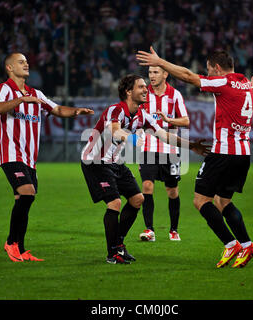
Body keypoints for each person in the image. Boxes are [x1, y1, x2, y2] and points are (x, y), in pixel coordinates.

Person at [137, 47, 253, 268]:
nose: (208, 74)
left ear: (217, 68)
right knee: (224, 201)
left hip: (224, 152)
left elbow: (188, 76)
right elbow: (249, 99)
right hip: (244, 153)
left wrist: (160, 62)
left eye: (209, 70)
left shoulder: (223, 82)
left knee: (201, 200)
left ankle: (231, 244)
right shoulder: (247, 85)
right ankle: (248, 243)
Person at [80, 74, 209, 264]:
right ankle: (112, 253)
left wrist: (191, 146)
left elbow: (164, 135)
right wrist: (131, 138)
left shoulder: (142, 115)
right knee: (115, 202)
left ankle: (119, 245)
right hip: (95, 162)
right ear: (128, 91)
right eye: (140, 87)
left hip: (114, 162)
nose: (145, 89)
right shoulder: (115, 110)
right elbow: (115, 130)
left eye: (145, 87)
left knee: (138, 199)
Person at [0, 53, 94, 262]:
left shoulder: (35, 93)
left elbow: (56, 109)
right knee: (27, 193)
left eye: (27, 61)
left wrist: (76, 111)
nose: (26, 64)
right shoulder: (4, 89)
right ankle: (11, 242)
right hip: (11, 153)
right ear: (9, 68)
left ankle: (20, 248)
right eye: (21, 62)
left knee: (24, 200)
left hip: (30, 158)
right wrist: (20, 99)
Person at [138, 66, 190, 242]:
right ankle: (149, 229)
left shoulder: (175, 95)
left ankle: (174, 230)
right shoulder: (144, 94)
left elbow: (186, 120)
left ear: (165, 74)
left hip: (170, 150)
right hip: (148, 147)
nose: (151, 76)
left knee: (172, 191)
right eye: (150, 72)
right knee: (147, 186)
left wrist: (169, 120)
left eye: (155, 72)